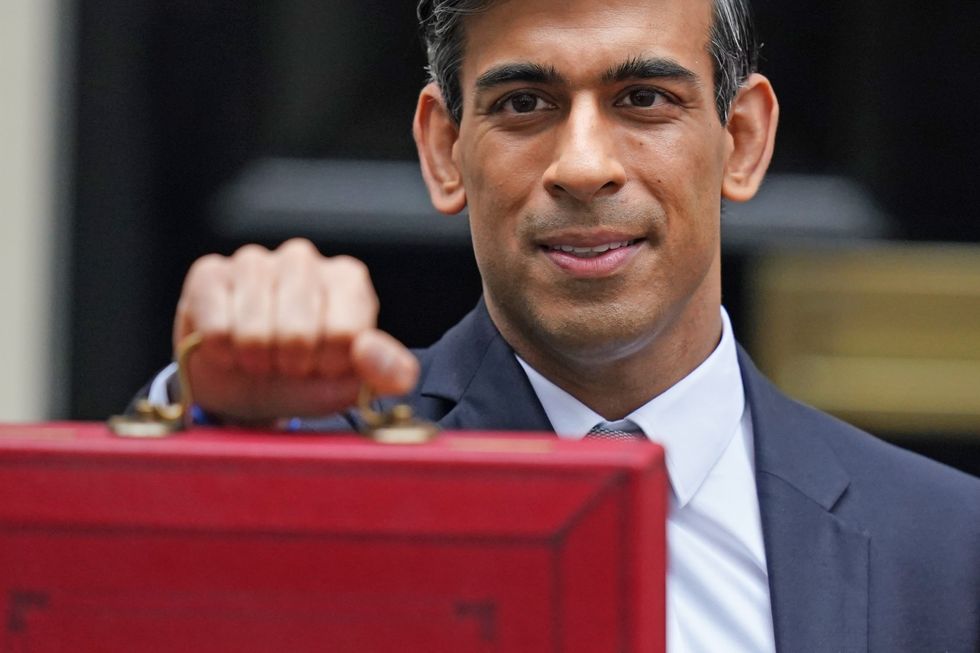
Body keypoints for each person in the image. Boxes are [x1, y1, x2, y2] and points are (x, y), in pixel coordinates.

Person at [142, 0, 980, 650]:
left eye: (644, 98)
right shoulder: (309, 472)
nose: (583, 165)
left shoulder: (947, 549)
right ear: (443, 149)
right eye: (524, 102)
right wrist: (205, 430)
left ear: (743, 140)